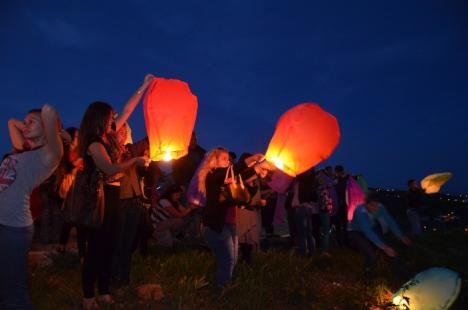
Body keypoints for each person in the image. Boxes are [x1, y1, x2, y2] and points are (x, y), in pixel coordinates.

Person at [78, 74, 153, 309]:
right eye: (110, 116)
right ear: (100, 118)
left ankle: (104, 291)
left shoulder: (109, 138)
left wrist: (143, 86)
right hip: (99, 199)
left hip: (114, 195)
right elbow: (109, 169)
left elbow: (128, 109)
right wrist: (135, 161)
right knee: (96, 249)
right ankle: (88, 296)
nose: (114, 119)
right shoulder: (94, 144)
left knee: (110, 245)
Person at [1, 104, 63, 309]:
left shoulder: (47, 155)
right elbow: (11, 122)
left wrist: (48, 123)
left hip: (14, 227)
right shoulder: (23, 150)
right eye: (25, 122)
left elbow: (53, 136)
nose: (24, 125)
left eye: (31, 123)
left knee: (14, 292)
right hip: (4, 222)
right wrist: (33, 124)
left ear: (48, 129)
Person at [198, 148, 272, 290]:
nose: (229, 161)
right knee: (227, 261)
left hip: (229, 225)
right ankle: (220, 293)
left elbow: (240, 178)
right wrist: (251, 161)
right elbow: (234, 171)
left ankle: (222, 289)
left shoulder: (225, 179)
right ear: (214, 161)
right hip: (216, 227)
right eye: (224, 159)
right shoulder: (212, 175)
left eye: (229, 159)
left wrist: (257, 170)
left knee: (231, 261)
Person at [349, 191, 411, 282]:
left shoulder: (380, 207)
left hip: (371, 227)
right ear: (366, 203)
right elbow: (367, 230)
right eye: (373, 205)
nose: (376, 208)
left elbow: (390, 221)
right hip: (356, 231)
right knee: (371, 253)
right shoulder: (360, 211)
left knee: (390, 249)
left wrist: (401, 236)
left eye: (377, 205)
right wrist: (384, 247)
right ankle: (367, 277)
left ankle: (406, 276)